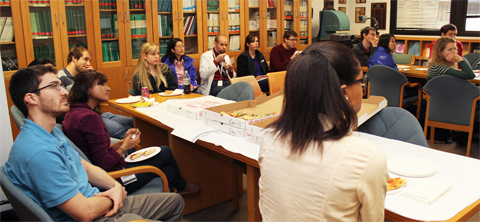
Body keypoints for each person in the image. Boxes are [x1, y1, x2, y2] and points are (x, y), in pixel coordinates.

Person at [5, 65, 184, 222]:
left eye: (60, 85)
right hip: (95, 215)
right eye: (54, 86)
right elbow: (85, 212)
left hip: (101, 201)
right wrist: (115, 194)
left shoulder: (51, 133)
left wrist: (115, 187)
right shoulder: (39, 152)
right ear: (31, 98)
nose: (65, 91)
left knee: (175, 202)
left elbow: (87, 168)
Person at [259, 41, 388, 221]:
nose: (362, 87)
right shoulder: (366, 157)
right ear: (345, 93)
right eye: (360, 81)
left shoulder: (269, 138)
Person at [62, 70, 201, 195]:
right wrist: (124, 147)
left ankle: (168, 201)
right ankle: (181, 189)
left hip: (102, 175)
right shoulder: (88, 118)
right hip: (113, 180)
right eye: (102, 84)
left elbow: (96, 151)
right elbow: (104, 163)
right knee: (165, 152)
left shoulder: (74, 112)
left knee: (169, 171)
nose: (108, 88)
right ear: (87, 89)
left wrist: (123, 141)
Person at [57, 46, 133, 140]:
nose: (88, 64)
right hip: (85, 118)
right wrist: (88, 79)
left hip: (96, 112)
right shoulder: (60, 78)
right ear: (74, 58)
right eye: (85, 59)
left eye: (90, 60)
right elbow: (69, 100)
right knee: (128, 130)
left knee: (134, 122)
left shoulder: (81, 74)